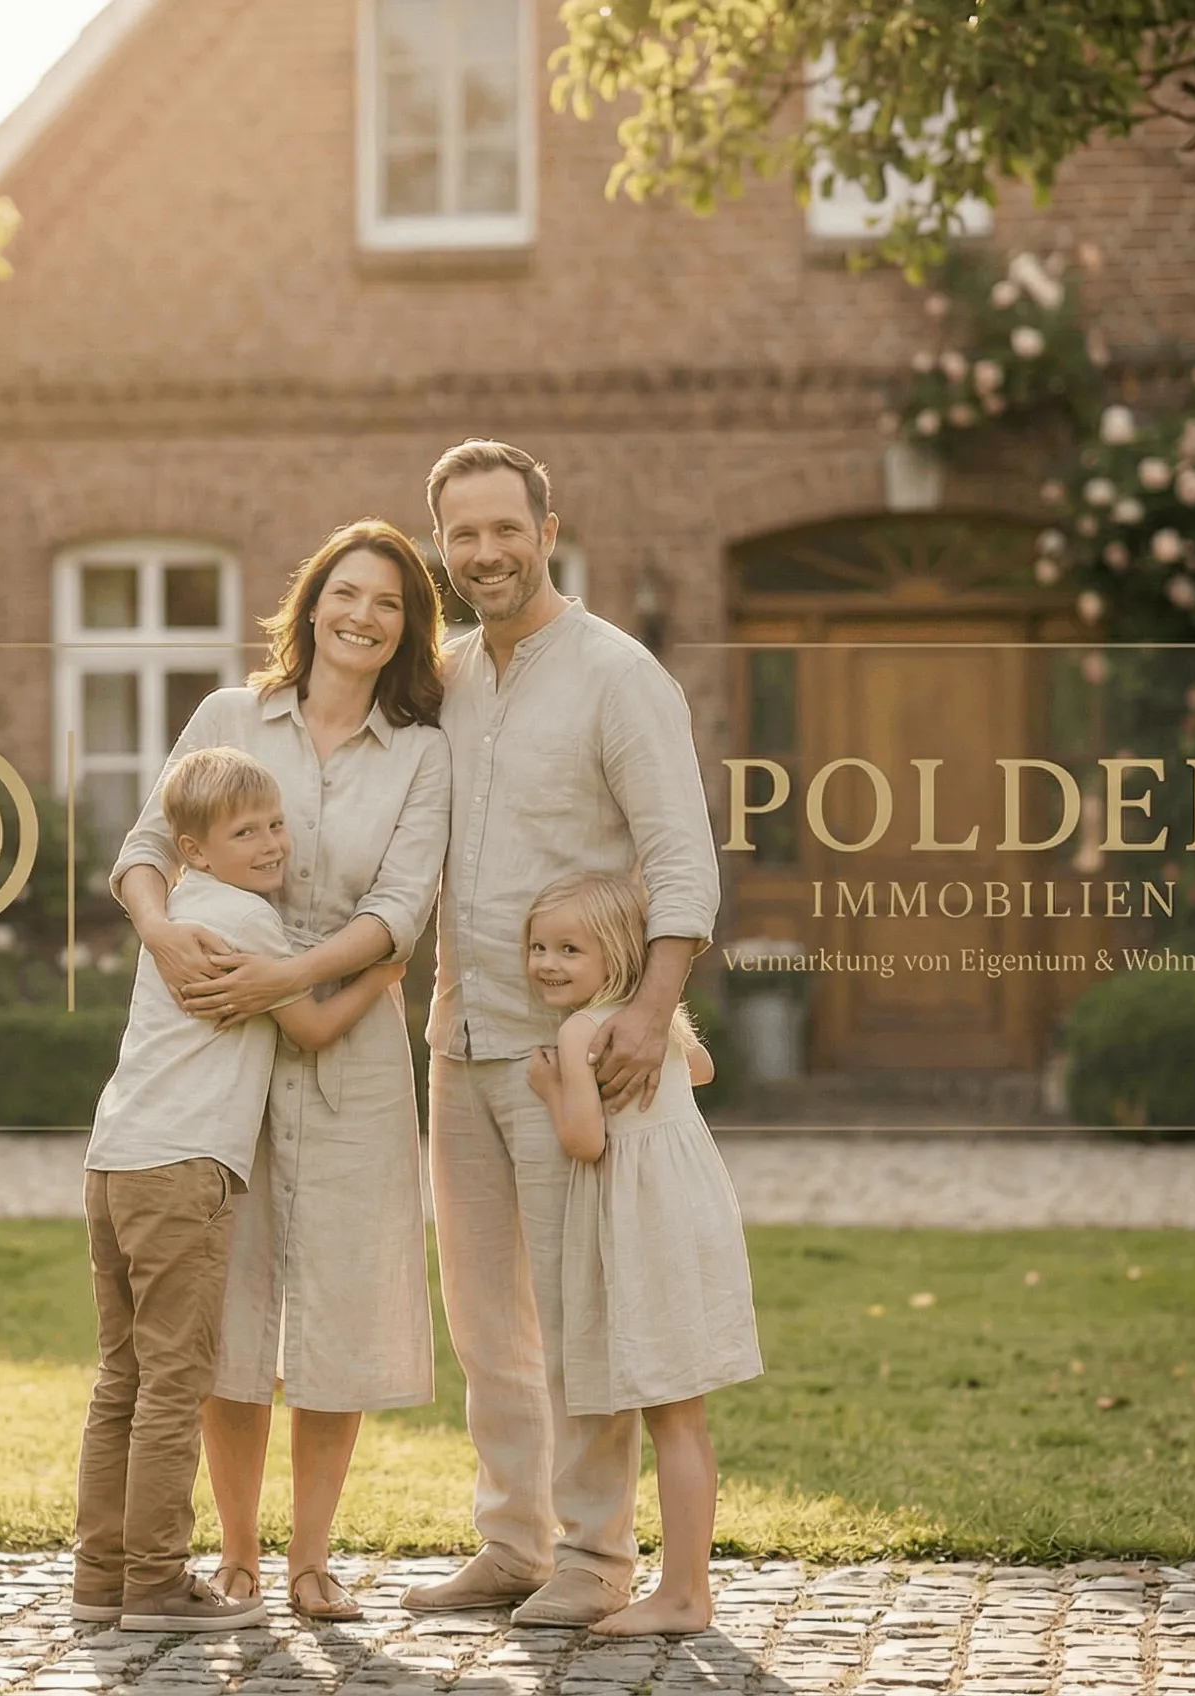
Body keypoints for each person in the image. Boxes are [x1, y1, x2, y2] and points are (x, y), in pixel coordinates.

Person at [402, 440, 723, 1628]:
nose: (482, 552)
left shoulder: (616, 675)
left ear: (547, 528)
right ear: (442, 545)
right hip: (457, 1034)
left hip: (573, 1054)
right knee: (487, 1319)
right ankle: (512, 1541)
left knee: (579, 1307)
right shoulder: (447, 678)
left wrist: (647, 1012)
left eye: (502, 528)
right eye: (461, 534)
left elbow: (682, 860)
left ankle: (596, 1557)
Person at [112, 520, 450, 1623]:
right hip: (221, 1060)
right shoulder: (225, 717)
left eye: (386, 603)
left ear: (407, 627)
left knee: (341, 1310)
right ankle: (239, 1557)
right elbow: (145, 846)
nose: (360, 615)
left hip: (347, 1048)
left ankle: (311, 1559)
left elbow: (401, 905)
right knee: (234, 1307)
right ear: (310, 604)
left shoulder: (419, 750)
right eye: (343, 592)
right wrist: (162, 934)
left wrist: (288, 977)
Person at [76, 746, 406, 1634]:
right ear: (193, 848)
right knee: (176, 1382)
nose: (270, 844)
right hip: (184, 1171)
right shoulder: (249, 921)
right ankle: (153, 1583)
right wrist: (382, 972)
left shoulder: (182, 911)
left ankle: (98, 1575)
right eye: (244, 832)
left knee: (124, 1380)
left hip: (115, 1161)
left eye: (274, 825)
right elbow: (309, 1027)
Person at [522, 871, 761, 1636]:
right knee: (685, 1417)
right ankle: (687, 1587)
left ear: (616, 955)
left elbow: (586, 1141)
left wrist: (555, 1087)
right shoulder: (655, 1024)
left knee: (672, 1417)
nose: (548, 963)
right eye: (538, 947)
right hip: (689, 1207)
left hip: (643, 1223)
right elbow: (703, 1071)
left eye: (569, 949)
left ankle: (685, 1597)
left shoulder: (578, 1034)